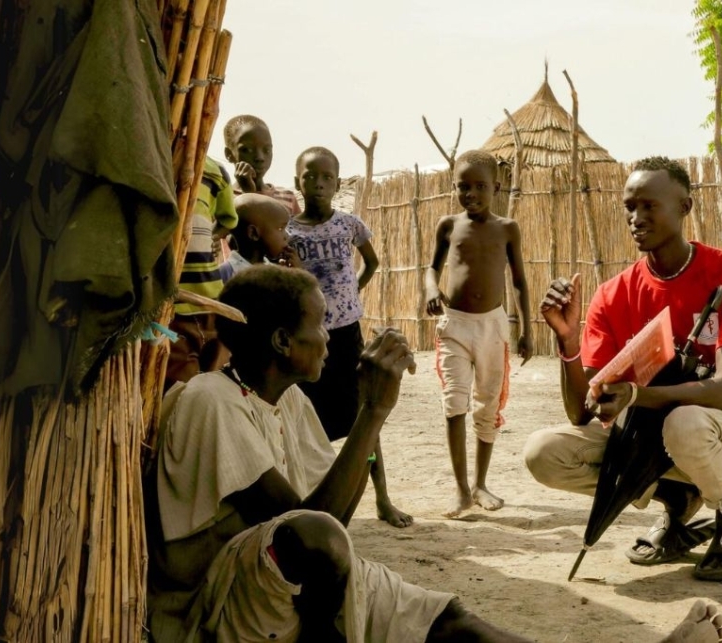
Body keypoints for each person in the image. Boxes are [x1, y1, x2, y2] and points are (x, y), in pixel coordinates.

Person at [145, 263, 722, 643]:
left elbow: (326, 518)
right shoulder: (210, 401)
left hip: (281, 582)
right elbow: (310, 530)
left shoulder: (287, 404)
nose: (330, 336)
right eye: (320, 325)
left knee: (450, 622)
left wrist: (370, 420)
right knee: (318, 543)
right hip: (221, 608)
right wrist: (372, 412)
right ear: (281, 341)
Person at [524, 156, 722, 582]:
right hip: (649, 446)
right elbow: (583, 415)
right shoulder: (611, 295)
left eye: (648, 206)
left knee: (685, 422)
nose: (636, 218)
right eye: (629, 207)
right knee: (544, 453)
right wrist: (567, 342)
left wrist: (640, 395)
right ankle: (677, 501)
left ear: (685, 207)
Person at [286, 146, 412, 528]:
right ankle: (316, 495)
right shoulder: (290, 232)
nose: (319, 184)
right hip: (310, 336)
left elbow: (371, 262)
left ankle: (382, 498)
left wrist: (351, 293)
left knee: (363, 413)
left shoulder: (349, 225)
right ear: (298, 182)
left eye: (327, 178)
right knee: (307, 416)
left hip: (346, 334)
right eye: (310, 176)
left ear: (338, 183)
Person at [425, 149, 533, 518]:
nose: (471, 194)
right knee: (454, 401)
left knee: (487, 406)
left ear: (497, 187)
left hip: (492, 327)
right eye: (463, 187)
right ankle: (460, 490)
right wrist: (430, 289)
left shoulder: (507, 229)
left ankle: (480, 484)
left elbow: (519, 281)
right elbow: (431, 269)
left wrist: (527, 329)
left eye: (480, 187)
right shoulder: (448, 226)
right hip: (454, 324)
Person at [165, 156, 237, 389]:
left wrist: (210, 237)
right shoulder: (158, 158)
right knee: (179, 390)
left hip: (211, 303)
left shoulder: (215, 171)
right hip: (172, 308)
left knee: (215, 385)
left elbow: (228, 219)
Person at [223, 114, 302, 215]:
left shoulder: (287, 198)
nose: (259, 157)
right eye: (247, 150)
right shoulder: (223, 198)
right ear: (229, 154)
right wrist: (248, 194)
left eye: (267, 150)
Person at [219, 193, 299, 282]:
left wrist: (294, 276)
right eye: (280, 229)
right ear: (253, 233)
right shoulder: (225, 274)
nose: (287, 235)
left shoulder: (276, 273)